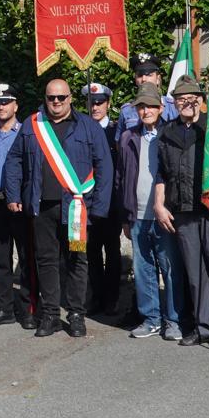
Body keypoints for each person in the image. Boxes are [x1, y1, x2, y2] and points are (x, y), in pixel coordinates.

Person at [4, 78, 113, 338]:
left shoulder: (88, 126)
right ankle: (51, 314)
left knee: (77, 260)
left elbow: (104, 166)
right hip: (41, 209)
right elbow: (14, 160)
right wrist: (13, 194)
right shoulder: (33, 125)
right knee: (47, 261)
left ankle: (76, 314)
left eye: (61, 97)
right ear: (45, 98)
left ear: (70, 98)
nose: (56, 102)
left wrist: (99, 207)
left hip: (76, 210)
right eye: (51, 97)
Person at [155, 77, 209, 349]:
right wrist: (159, 204)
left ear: (202, 101)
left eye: (192, 98)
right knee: (195, 270)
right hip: (183, 209)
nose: (187, 103)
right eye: (181, 98)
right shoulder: (167, 132)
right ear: (174, 102)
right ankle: (202, 327)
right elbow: (162, 172)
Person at [119, 84, 180, 341]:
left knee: (170, 267)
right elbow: (122, 177)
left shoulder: (171, 134)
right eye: (141, 106)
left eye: (151, 106)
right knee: (143, 269)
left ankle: (174, 320)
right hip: (138, 213)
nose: (146, 111)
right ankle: (151, 318)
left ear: (161, 108)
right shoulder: (127, 137)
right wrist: (125, 214)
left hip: (165, 214)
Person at [0, 81, 29, 328]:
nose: (1, 107)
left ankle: (28, 307)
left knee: (25, 256)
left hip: (18, 204)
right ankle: (5, 308)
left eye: (6, 102)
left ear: (15, 105)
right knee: (1, 259)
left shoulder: (25, 134)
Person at [85, 82, 124, 317]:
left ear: (108, 104)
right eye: (91, 102)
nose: (95, 106)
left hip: (110, 202)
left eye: (99, 102)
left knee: (112, 251)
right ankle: (95, 296)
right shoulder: (81, 129)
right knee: (88, 251)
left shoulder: (115, 131)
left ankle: (112, 298)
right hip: (86, 203)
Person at [118, 54, 179, 131]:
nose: (143, 79)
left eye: (149, 75)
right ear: (135, 80)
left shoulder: (173, 107)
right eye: (139, 75)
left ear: (158, 79)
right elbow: (122, 141)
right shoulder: (127, 110)